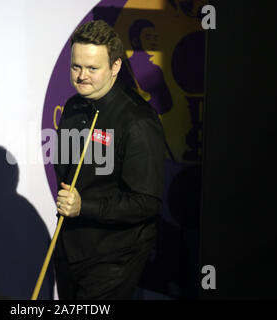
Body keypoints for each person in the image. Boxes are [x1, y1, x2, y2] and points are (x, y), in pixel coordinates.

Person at [53, 20, 165, 300]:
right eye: (76, 66)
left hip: (114, 256)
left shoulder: (137, 121)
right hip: (70, 248)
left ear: (114, 67)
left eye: (93, 68)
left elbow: (146, 202)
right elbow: (67, 175)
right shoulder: (72, 107)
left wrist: (83, 207)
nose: (82, 76)